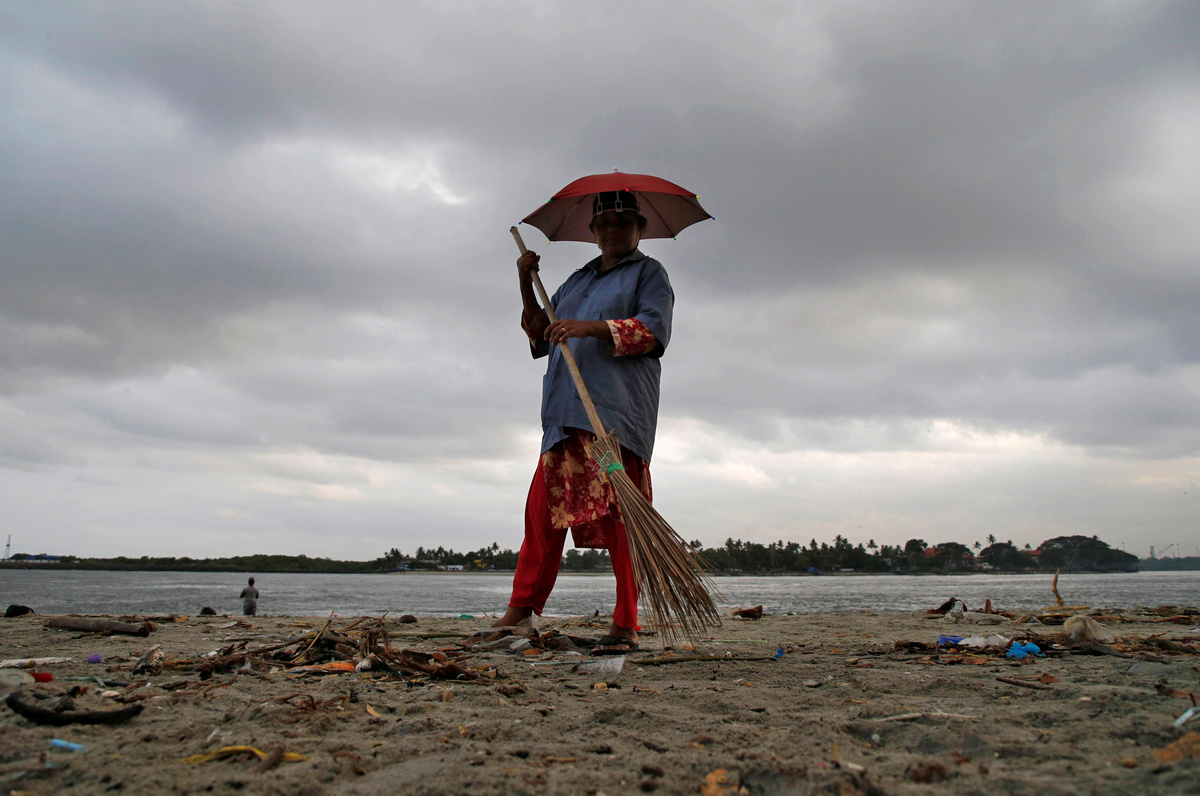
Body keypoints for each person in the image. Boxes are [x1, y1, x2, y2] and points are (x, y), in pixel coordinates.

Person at [494, 189, 674, 654]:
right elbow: (540, 336)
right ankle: (521, 610)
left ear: (640, 229)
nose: (613, 230)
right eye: (604, 224)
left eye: (623, 222)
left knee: (621, 519)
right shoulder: (577, 280)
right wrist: (525, 281)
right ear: (592, 232)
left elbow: (652, 332)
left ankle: (626, 622)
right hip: (563, 413)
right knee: (542, 515)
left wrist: (589, 329)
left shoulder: (649, 273)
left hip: (614, 414)